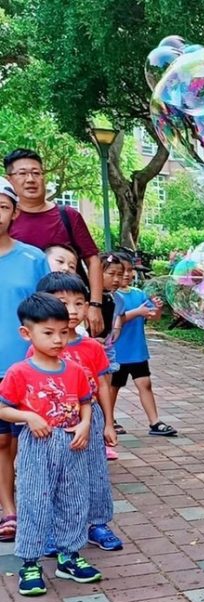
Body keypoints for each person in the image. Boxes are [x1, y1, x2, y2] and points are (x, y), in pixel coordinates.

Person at [0, 293, 100, 596]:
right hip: (38, 446)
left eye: (63, 332)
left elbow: (86, 402)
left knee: (74, 500)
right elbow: (3, 408)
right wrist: (29, 417)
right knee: (35, 501)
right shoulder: (20, 372)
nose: (58, 340)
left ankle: (68, 556)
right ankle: (30, 562)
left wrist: (85, 424)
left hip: (72, 445)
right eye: (48, 333)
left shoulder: (74, 371)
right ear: (26, 333)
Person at [34, 272, 122, 552]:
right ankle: (53, 529)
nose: (72, 311)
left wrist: (108, 423)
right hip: (52, 424)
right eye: (62, 302)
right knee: (54, 476)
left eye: (79, 303)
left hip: (90, 418)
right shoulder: (38, 347)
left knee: (95, 472)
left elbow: (104, 387)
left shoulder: (92, 348)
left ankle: (97, 523)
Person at [5, 149, 104, 334]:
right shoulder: (5, 219)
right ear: (9, 179)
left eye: (36, 173)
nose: (30, 179)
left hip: (66, 315)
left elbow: (93, 259)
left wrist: (95, 305)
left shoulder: (68, 216)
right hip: (18, 310)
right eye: (22, 173)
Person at [0, 177, 50, 543]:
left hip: (30, 368)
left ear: (14, 212)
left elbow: (52, 311)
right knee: (2, 442)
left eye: (3, 206)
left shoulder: (34, 258)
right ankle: (9, 510)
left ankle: (39, 507)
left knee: (36, 443)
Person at [110, 257, 177, 437]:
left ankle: (154, 422)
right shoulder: (111, 296)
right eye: (120, 271)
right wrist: (138, 312)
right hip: (116, 352)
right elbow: (117, 320)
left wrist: (157, 308)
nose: (126, 275)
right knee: (113, 387)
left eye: (130, 270)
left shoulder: (138, 293)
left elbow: (152, 316)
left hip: (137, 350)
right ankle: (109, 420)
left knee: (145, 383)